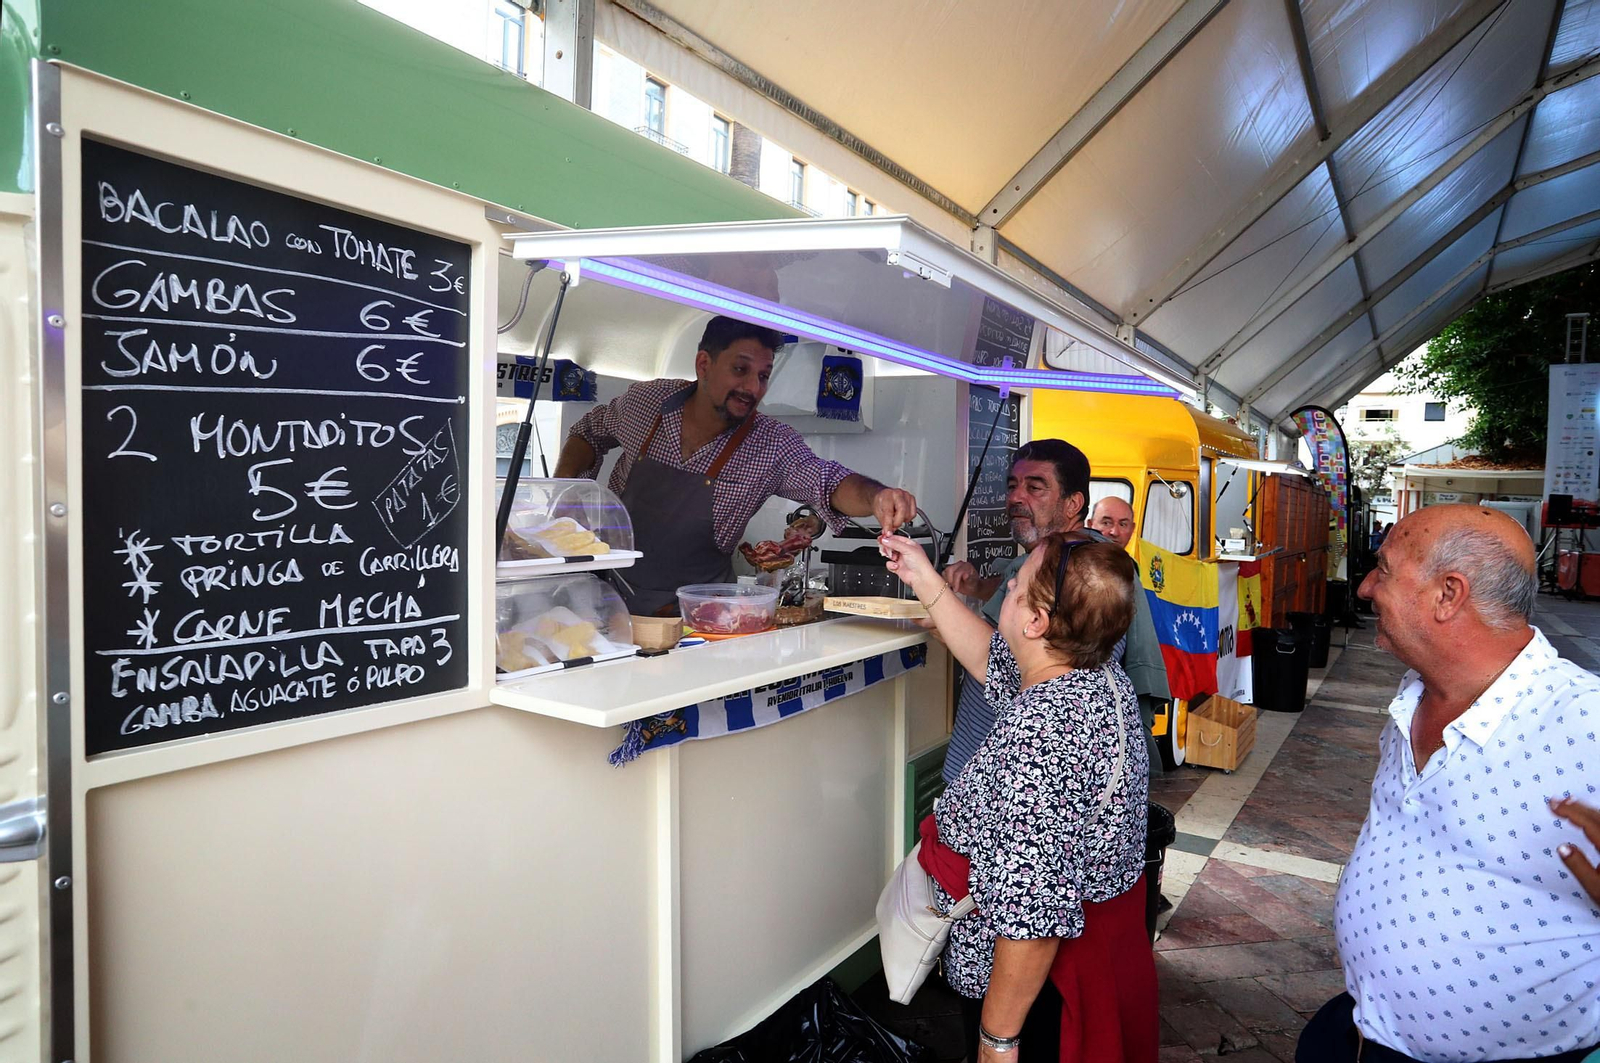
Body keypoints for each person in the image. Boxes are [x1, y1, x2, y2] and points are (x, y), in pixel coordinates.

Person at [1299, 505, 1600, 1063]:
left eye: (1384, 570)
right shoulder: (1414, 695)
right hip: (1363, 1034)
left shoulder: (1588, 722)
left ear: (1448, 594)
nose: (1365, 588)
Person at [881, 529, 1156, 1063]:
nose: (1005, 588)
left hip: (1042, 987)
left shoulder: (1042, 735)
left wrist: (998, 1041)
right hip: (1095, 948)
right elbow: (993, 659)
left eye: (1015, 585)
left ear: (1036, 623)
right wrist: (924, 577)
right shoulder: (1089, 674)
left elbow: (1032, 915)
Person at [552, 315, 916, 614]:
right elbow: (588, 432)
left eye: (763, 375)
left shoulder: (771, 444)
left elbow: (829, 482)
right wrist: (564, 498)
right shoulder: (647, 403)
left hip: (701, 620)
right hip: (606, 603)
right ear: (704, 364)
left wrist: (877, 497)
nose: (752, 387)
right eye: (740, 369)